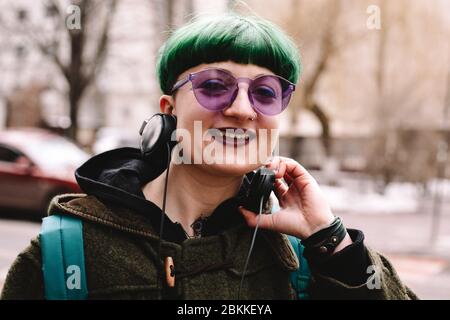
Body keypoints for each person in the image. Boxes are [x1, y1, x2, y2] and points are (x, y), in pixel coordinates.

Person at [1, 13, 417, 300]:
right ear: (169, 110)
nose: (241, 108)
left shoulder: (306, 256)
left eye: (265, 92)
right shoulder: (64, 253)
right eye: (215, 86)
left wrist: (332, 243)